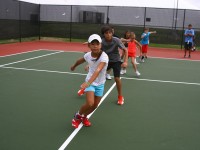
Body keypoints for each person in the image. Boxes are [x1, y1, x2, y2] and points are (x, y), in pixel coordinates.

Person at [70, 34, 109, 128]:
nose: (95, 46)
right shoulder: (88, 55)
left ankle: (84, 117)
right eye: (93, 44)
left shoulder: (104, 57)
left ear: (100, 45)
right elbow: (80, 60)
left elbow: (98, 70)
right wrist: (74, 66)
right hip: (90, 82)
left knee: (95, 105)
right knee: (90, 103)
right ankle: (77, 116)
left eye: (97, 44)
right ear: (89, 45)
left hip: (100, 83)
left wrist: (87, 83)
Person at [101, 25, 128, 105]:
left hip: (116, 60)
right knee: (96, 75)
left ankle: (120, 96)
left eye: (110, 33)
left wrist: (125, 61)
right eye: (106, 33)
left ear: (112, 33)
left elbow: (125, 50)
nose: (108, 34)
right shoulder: (101, 42)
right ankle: (86, 88)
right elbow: (98, 53)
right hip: (106, 61)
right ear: (104, 34)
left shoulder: (116, 40)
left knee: (117, 78)